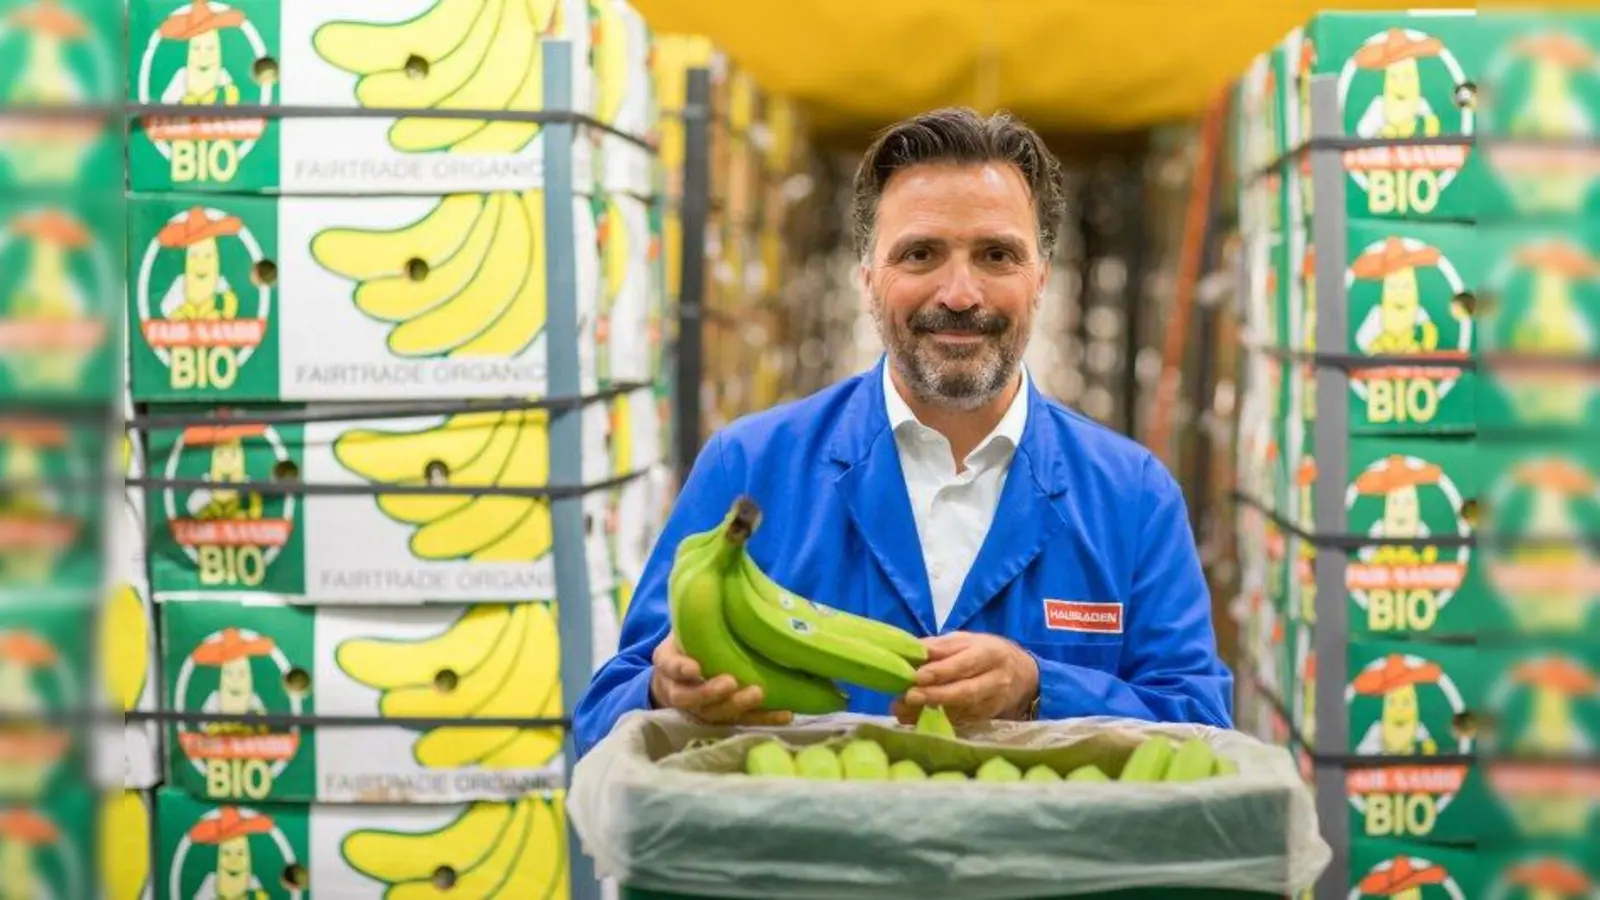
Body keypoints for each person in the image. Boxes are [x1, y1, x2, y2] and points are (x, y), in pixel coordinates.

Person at [573, 107, 1232, 756]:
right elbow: (605, 714)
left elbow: (1202, 725)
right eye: (920, 254)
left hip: (1045, 864)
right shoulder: (751, 467)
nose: (959, 293)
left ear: (1040, 282)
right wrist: (661, 692)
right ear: (867, 280)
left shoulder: (1131, 495)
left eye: (997, 255)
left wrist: (1042, 687)